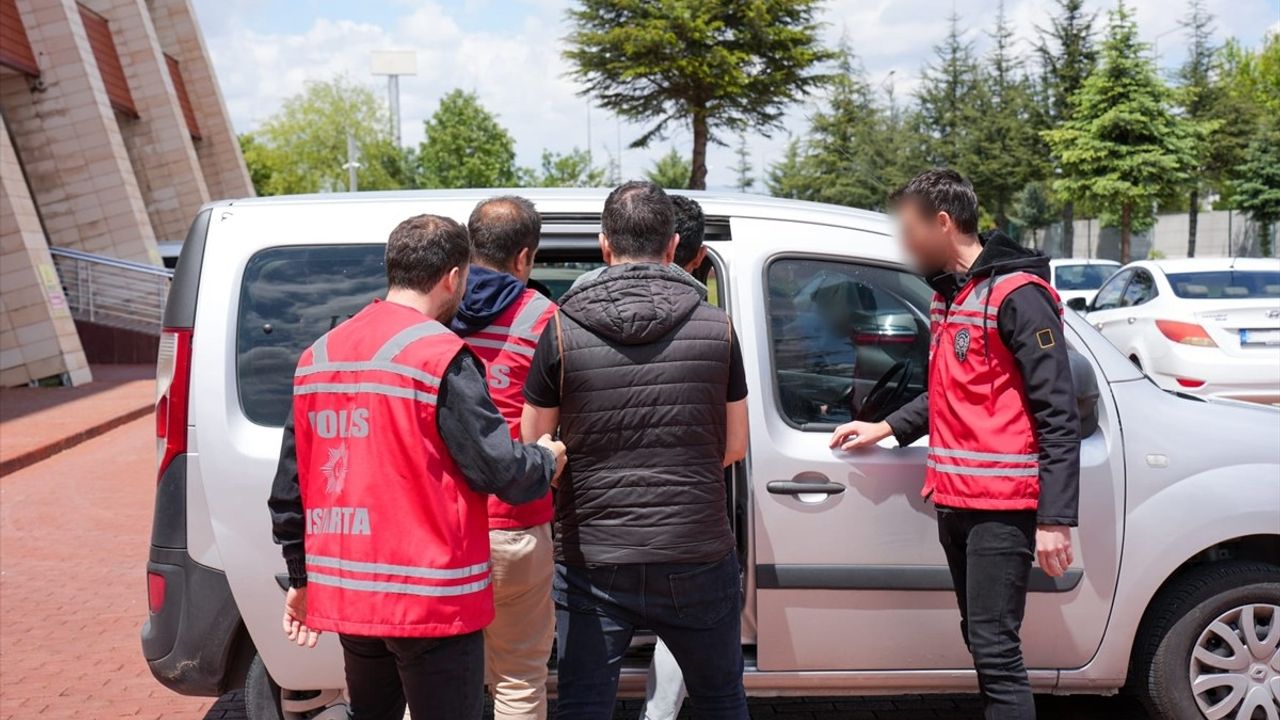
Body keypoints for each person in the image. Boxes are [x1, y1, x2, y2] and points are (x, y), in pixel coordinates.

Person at [268, 214, 566, 720]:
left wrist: (300, 576)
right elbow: (499, 469)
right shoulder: (440, 355)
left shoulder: (319, 353)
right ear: (453, 277)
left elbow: (291, 486)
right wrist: (545, 459)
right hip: (429, 598)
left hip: (354, 592)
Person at [831, 169, 1080, 720]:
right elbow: (950, 393)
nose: (905, 243)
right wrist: (888, 427)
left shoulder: (1018, 297)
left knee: (995, 649)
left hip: (1003, 506)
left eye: (910, 229)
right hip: (957, 500)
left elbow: (1057, 413)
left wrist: (1055, 520)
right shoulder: (953, 296)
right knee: (981, 639)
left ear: (942, 224)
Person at [522, 181, 750, 720]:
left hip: (592, 555)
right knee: (721, 700)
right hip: (696, 549)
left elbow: (535, 446)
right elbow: (734, 444)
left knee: (583, 705)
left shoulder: (559, 327)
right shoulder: (718, 328)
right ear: (673, 246)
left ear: (605, 245)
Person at [449, 196, 558, 720]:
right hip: (515, 522)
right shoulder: (544, 318)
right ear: (524, 257)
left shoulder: (433, 307)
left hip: (443, 527)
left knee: (431, 685)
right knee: (518, 679)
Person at [637, 192, 707, 720]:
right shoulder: (713, 327)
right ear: (691, 254)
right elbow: (734, 444)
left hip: (603, 516)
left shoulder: (571, 321)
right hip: (686, 514)